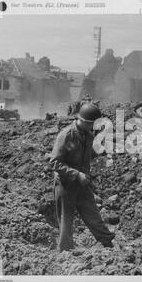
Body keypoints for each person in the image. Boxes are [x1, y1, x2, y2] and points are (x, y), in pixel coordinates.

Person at [49, 103, 115, 251]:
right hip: (65, 185)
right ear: (84, 121)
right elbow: (54, 162)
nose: (94, 128)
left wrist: (101, 151)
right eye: (93, 124)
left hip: (82, 185)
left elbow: (85, 155)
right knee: (66, 223)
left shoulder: (88, 135)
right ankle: (65, 254)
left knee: (93, 216)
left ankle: (108, 245)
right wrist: (77, 174)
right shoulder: (66, 135)